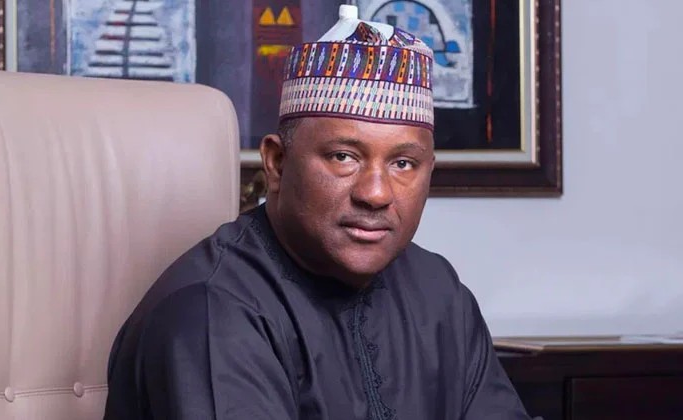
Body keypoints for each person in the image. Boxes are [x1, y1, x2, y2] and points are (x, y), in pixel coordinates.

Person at [103, 5, 534, 420]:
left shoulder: (437, 290)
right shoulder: (212, 312)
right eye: (343, 156)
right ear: (277, 163)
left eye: (403, 164)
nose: (376, 193)